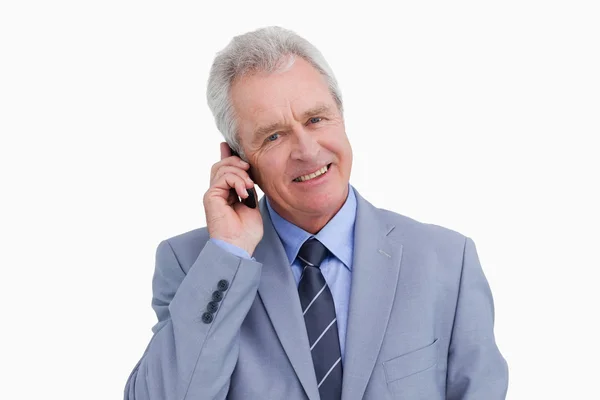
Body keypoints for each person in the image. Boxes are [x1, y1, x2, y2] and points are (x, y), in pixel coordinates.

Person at [124, 26, 508, 400]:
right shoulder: (196, 265)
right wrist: (230, 254)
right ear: (239, 160)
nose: (306, 150)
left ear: (341, 116)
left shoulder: (446, 260)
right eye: (273, 135)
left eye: (316, 119)